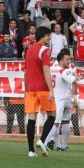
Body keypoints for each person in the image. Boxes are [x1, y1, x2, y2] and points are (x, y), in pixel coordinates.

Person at [24, 26, 56, 157]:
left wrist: (26, 87)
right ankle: (42, 140)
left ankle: (31, 150)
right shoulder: (45, 50)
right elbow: (46, 70)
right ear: (42, 36)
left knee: (31, 118)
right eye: (48, 36)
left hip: (30, 89)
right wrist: (51, 90)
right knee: (52, 115)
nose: (49, 38)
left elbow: (26, 71)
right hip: (42, 88)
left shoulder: (29, 48)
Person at [43, 50, 77, 151]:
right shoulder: (66, 70)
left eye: (69, 59)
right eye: (67, 59)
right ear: (61, 60)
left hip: (54, 97)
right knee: (61, 122)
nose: (69, 61)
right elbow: (74, 81)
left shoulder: (51, 68)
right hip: (63, 98)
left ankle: (57, 144)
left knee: (56, 121)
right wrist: (75, 97)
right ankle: (57, 144)